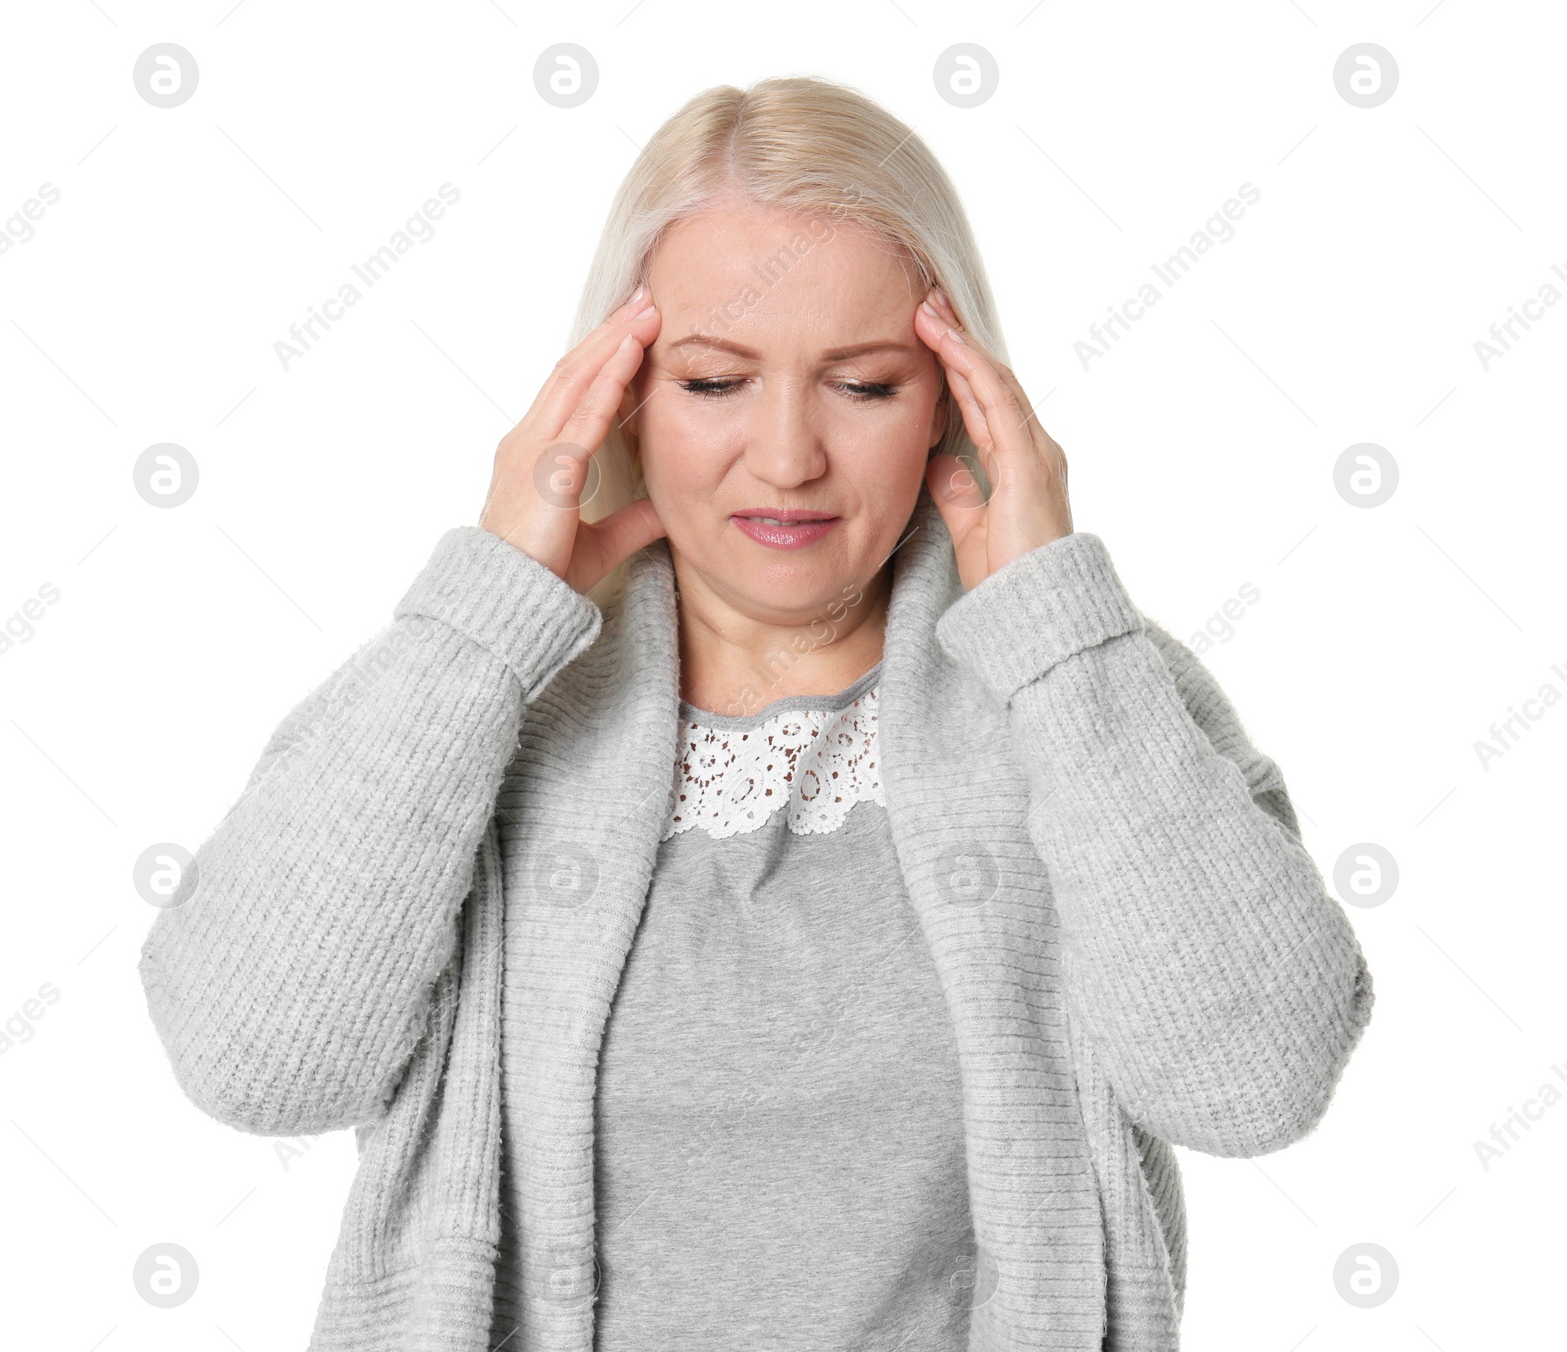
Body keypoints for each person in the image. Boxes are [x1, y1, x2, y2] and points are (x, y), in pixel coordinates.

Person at [138, 74, 1374, 1351]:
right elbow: (256, 1067)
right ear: (620, 393)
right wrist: (479, 622)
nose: (787, 456)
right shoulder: (471, 696)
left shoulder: (1084, 689)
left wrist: (1062, 640)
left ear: (955, 398)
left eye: (865, 383)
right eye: (717, 381)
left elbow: (1255, 1087)